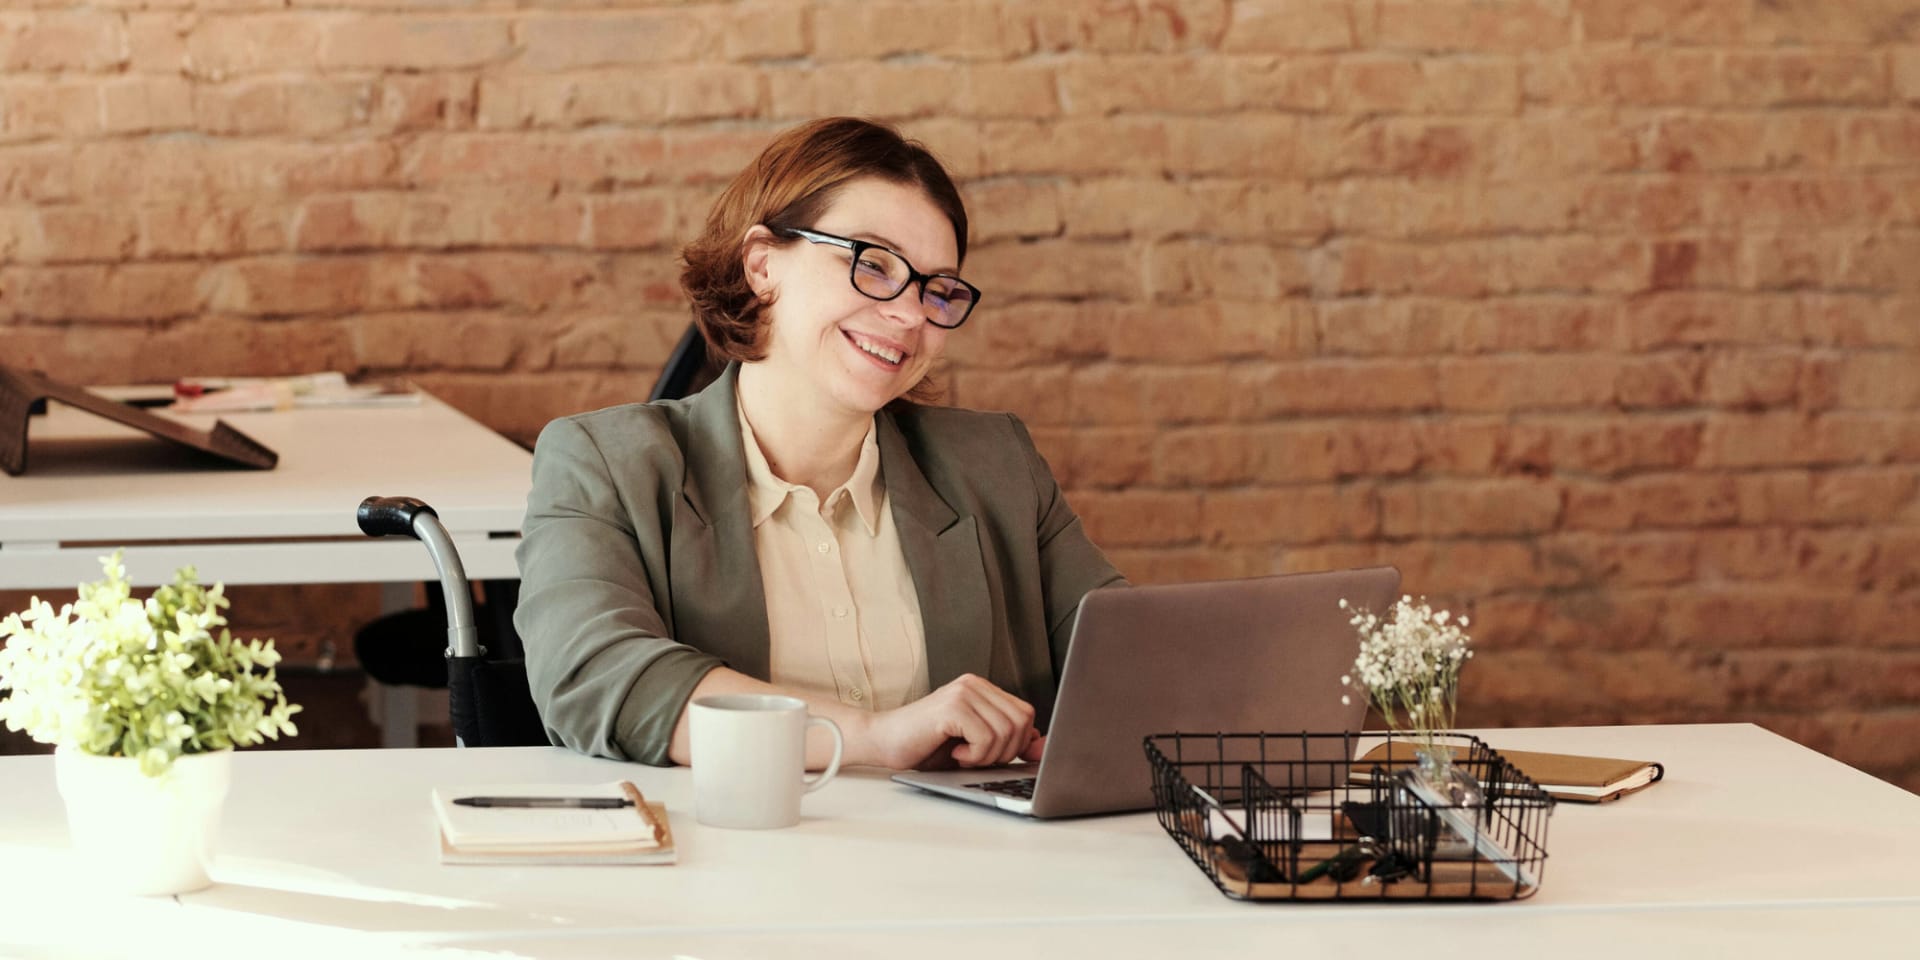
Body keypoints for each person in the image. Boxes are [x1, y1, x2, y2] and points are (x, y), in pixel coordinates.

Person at [514, 117, 1125, 770]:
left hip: (974, 868)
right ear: (761, 265)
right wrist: (873, 736)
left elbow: (1129, 654)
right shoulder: (607, 463)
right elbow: (595, 673)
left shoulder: (996, 463)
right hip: (724, 861)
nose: (911, 314)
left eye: (937, 289)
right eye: (873, 263)